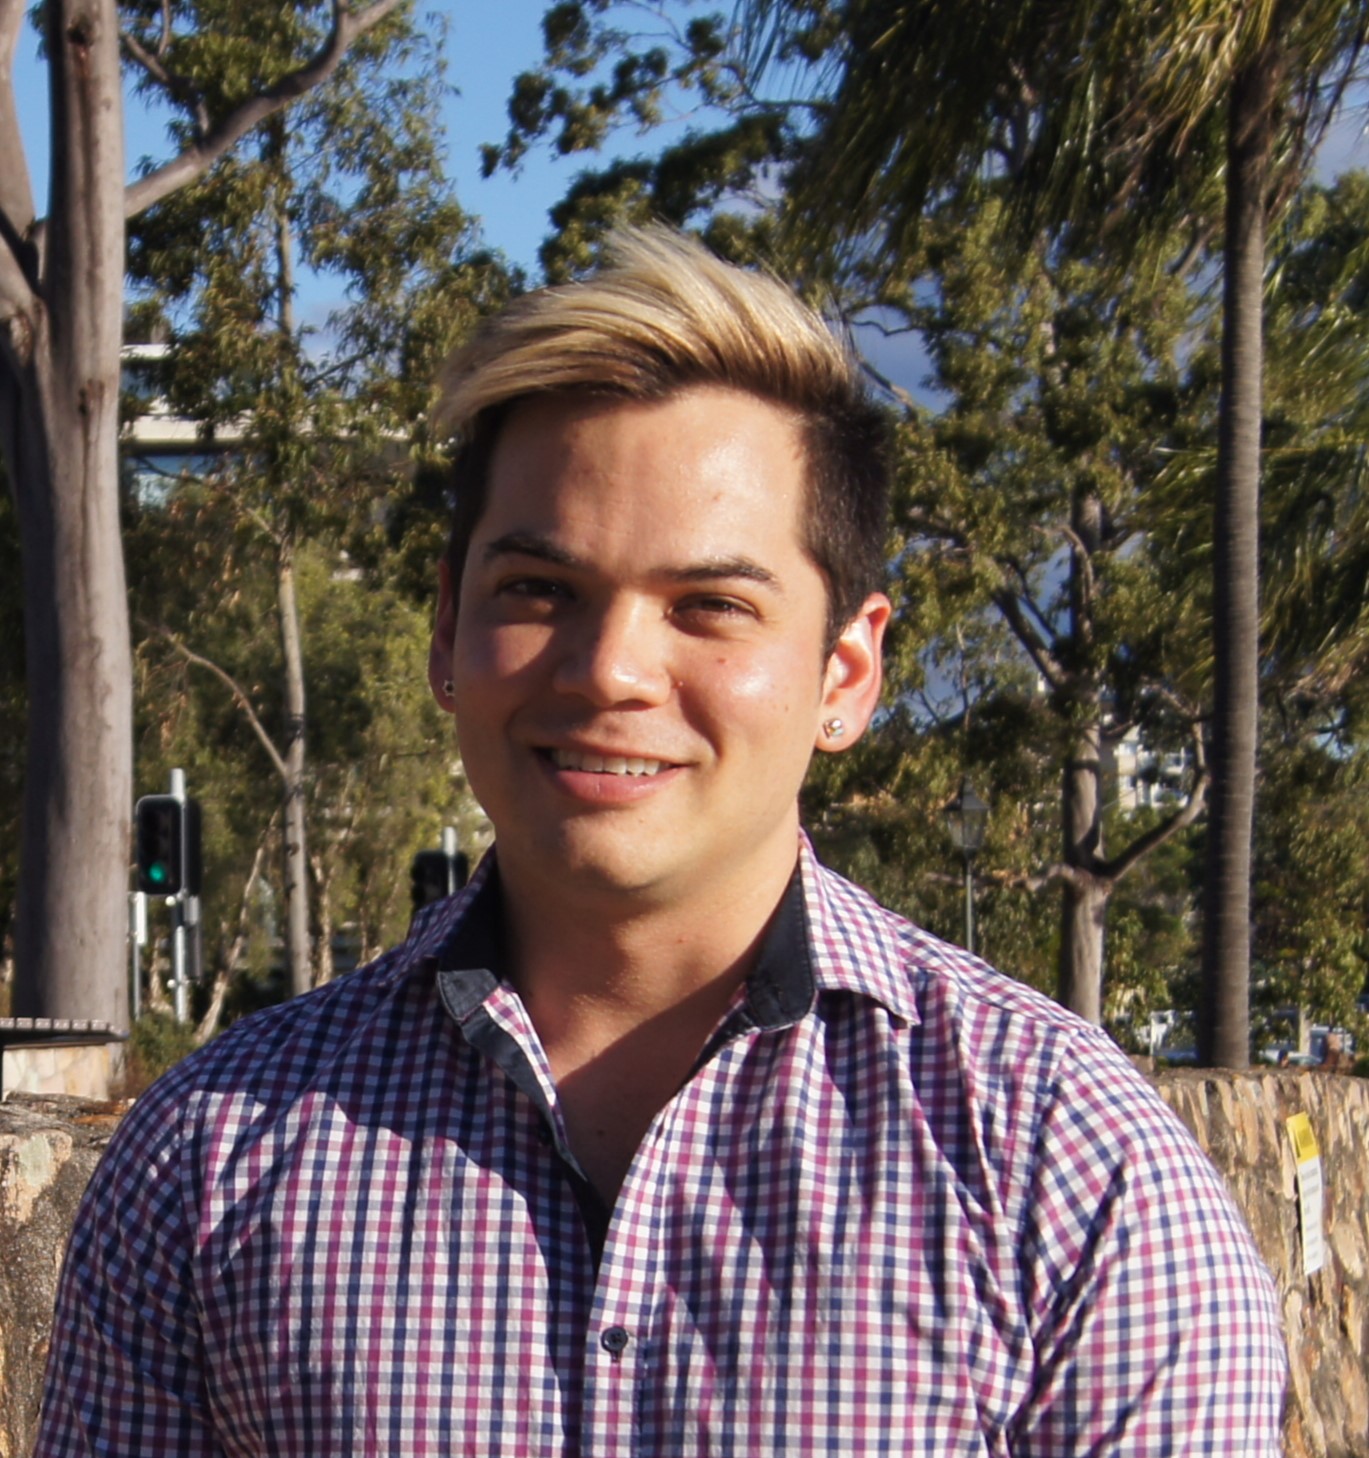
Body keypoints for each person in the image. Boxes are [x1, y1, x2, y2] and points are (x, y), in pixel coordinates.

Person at [36, 227, 1286, 1456]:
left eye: (709, 607)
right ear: (444, 632)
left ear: (846, 671)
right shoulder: (208, 1160)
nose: (611, 670)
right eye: (540, 591)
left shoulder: (1066, 1168)